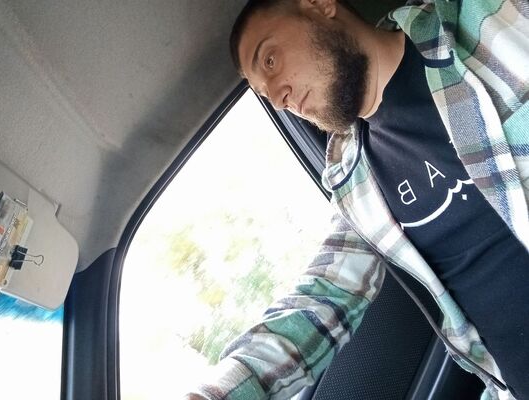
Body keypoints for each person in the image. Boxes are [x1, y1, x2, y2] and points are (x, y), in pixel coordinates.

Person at [185, 0, 529, 399]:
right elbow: (327, 295)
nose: (278, 98)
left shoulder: (485, 20)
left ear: (320, 5)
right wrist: (218, 393)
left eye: (271, 60)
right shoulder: (354, 183)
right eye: (265, 95)